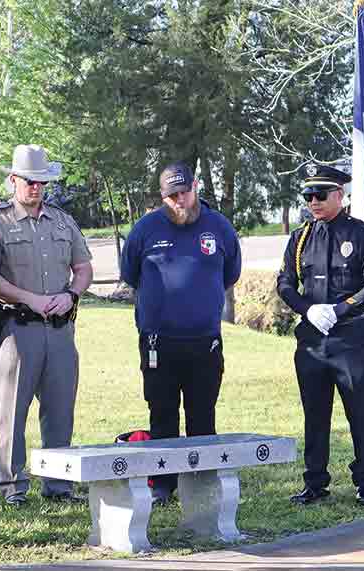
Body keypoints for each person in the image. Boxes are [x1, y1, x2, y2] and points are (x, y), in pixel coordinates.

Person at [119, 161, 242, 504]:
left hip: (204, 341)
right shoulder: (145, 229)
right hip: (159, 341)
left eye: (184, 192)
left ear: (196, 187)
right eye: (172, 196)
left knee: (203, 414)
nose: (180, 201)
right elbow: (131, 273)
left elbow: (230, 272)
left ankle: (202, 483)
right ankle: (163, 485)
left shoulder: (219, 227)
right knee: (162, 413)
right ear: (162, 196)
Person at [0, 145, 94, 506]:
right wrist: (28, 298)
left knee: (60, 409)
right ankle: (13, 486)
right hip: (18, 328)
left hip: (61, 329)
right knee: (12, 412)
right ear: (13, 180)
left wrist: (73, 295)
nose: (36, 188)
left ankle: (58, 485)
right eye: (30, 181)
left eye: (42, 182)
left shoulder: (63, 220)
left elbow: (83, 267)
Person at [276, 163, 364, 506]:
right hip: (312, 341)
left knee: (358, 412)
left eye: (320, 195)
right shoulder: (300, 239)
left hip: (349, 341)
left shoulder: (361, 235)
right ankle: (315, 482)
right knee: (315, 413)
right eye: (308, 195)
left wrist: (341, 309)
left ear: (340, 195)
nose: (313, 201)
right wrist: (306, 309)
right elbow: (284, 282)